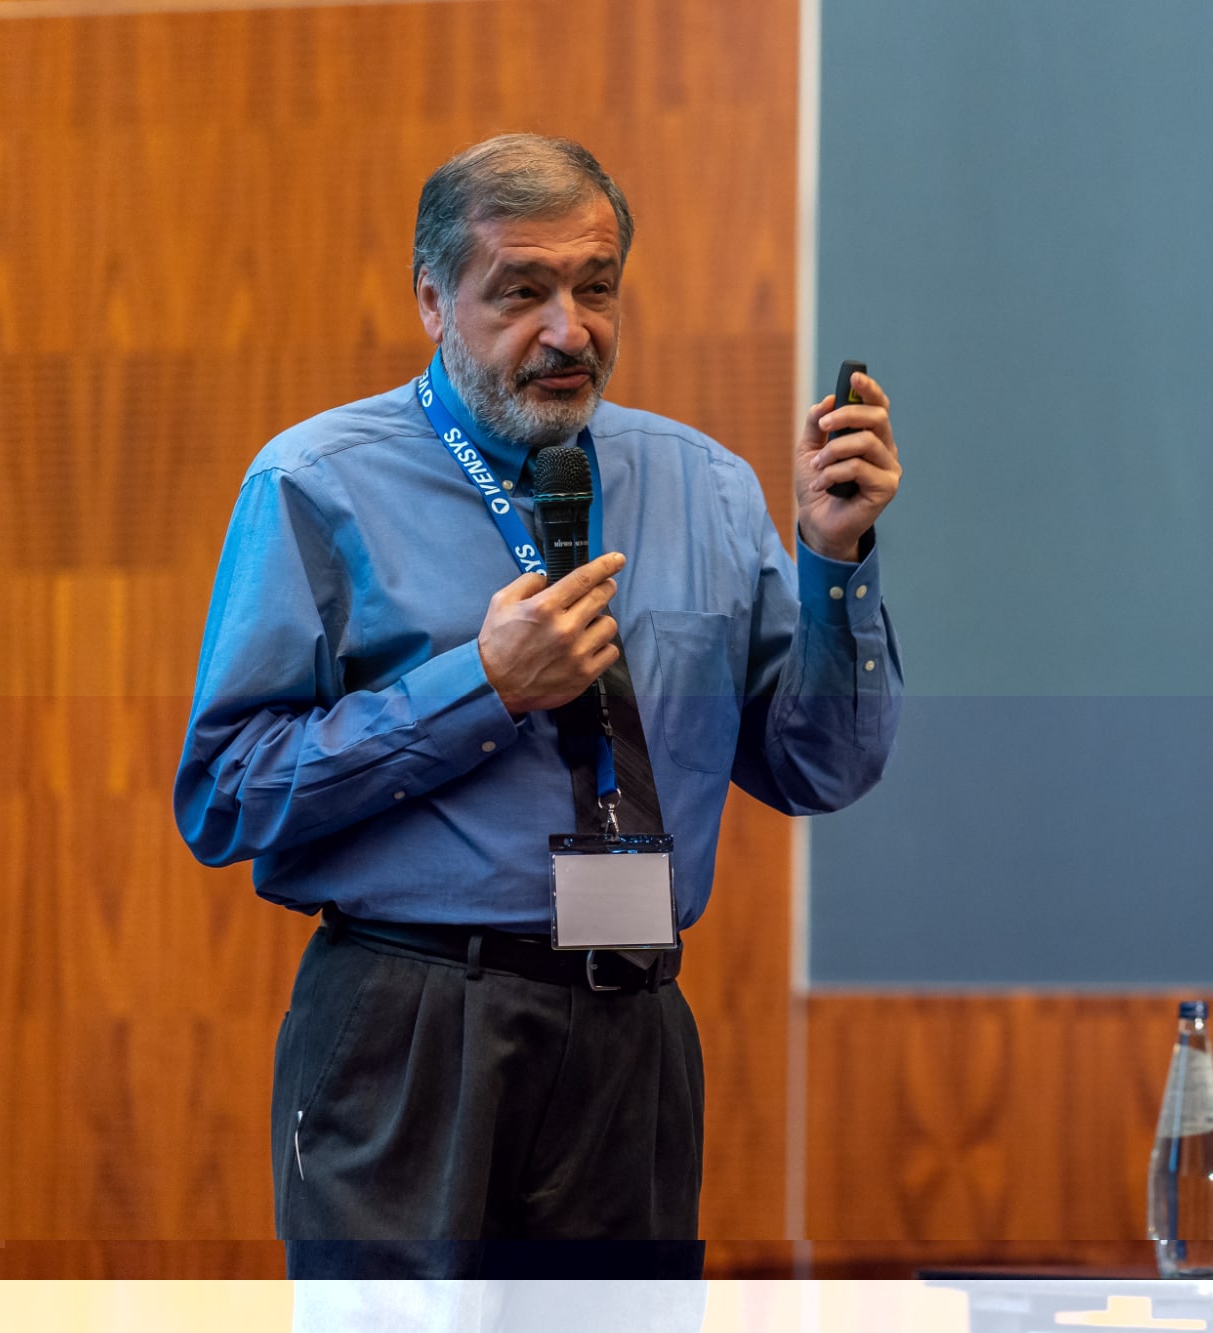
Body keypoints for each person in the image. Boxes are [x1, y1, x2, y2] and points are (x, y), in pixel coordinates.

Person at [173, 134, 902, 1278]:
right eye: (521, 293)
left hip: (630, 1028)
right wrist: (480, 686)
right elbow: (224, 797)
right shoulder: (315, 484)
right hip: (411, 1026)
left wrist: (834, 561)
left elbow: (822, 767)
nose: (570, 331)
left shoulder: (707, 488)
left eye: (596, 288)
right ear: (433, 300)